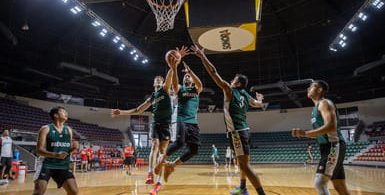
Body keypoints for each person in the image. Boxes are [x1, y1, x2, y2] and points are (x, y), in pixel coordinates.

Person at [191, 45, 266, 195]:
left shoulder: (229, 90)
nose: (231, 80)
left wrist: (202, 57)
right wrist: (260, 100)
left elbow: (213, 72)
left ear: (237, 83)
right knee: (242, 163)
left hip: (237, 132)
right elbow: (257, 104)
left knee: (245, 166)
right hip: (244, 131)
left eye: (234, 79)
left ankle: (260, 193)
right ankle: (243, 188)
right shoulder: (245, 94)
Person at [111, 48, 186, 187]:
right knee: (155, 146)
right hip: (156, 123)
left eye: (160, 79)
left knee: (163, 152)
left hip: (167, 124)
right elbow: (138, 109)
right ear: (153, 83)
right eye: (155, 79)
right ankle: (150, 173)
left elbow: (170, 75)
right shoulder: (152, 97)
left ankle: (159, 180)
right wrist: (121, 112)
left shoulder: (165, 89)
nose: (157, 80)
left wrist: (174, 63)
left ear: (163, 82)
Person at [292, 80, 349, 195]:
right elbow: (322, 133)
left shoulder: (324, 103)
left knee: (320, 182)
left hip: (333, 146)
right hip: (327, 148)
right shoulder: (315, 109)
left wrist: (304, 133)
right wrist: (302, 134)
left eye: (311, 86)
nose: (308, 89)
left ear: (319, 89)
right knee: (339, 185)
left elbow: (331, 126)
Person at [156, 60, 203, 183]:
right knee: (180, 143)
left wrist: (190, 71)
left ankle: (172, 166)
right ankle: (161, 161)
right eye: (185, 76)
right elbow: (175, 84)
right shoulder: (180, 89)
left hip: (193, 122)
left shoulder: (196, 90)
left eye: (189, 77)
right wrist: (175, 68)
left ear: (192, 80)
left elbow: (200, 84)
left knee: (194, 150)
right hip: (182, 119)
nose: (187, 77)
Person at [33, 106, 79, 195]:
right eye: (63, 112)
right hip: (46, 164)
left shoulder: (68, 130)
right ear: (55, 115)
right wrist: (56, 155)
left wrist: (73, 148)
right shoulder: (45, 129)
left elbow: (67, 151)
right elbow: (39, 150)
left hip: (63, 165)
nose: (66, 113)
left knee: (74, 191)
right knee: (39, 192)